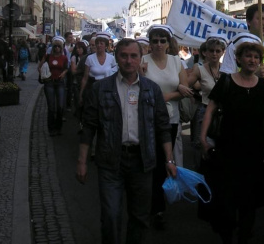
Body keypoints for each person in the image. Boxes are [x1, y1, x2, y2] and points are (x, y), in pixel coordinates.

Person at [76, 38, 177, 244]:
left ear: (140, 58)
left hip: (142, 161)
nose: (129, 61)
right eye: (124, 56)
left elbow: (163, 127)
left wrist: (169, 160)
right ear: (117, 57)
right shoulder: (101, 88)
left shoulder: (151, 89)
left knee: (140, 218)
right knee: (111, 216)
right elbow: (89, 127)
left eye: (133, 56)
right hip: (110, 160)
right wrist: (82, 161)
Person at [200, 34, 264, 244]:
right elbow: (211, 109)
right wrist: (202, 137)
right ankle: (227, 235)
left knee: (249, 202)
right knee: (226, 201)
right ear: (239, 59)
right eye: (248, 56)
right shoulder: (227, 82)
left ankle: (244, 236)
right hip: (228, 151)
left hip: (255, 152)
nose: (252, 60)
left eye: (256, 57)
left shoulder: (263, 86)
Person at [140, 24, 191, 229]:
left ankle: (158, 207)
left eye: (163, 40)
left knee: (164, 160)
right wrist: (142, 75)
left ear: (169, 43)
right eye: (155, 40)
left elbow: (185, 90)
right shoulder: (143, 61)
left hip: (170, 118)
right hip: (148, 118)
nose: (159, 44)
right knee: (150, 161)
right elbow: (139, 89)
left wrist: (165, 96)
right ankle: (150, 203)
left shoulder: (176, 61)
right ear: (150, 43)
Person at [187, 34, 227, 170]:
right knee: (200, 147)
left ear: (222, 52)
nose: (214, 54)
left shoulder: (227, 70)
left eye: (218, 51)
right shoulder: (200, 69)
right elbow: (185, 84)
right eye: (211, 51)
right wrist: (189, 90)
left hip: (222, 114)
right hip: (204, 111)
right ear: (206, 52)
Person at [39, 36, 69, 136]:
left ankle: (58, 127)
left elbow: (66, 68)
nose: (57, 48)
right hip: (49, 83)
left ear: (61, 48)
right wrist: (44, 74)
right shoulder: (48, 56)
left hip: (59, 82)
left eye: (58, 47)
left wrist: (64, 73)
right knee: (51, 107)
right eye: (55, 46)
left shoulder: (64, 58)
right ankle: (51, 128)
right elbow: (40, 66)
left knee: (60, 106)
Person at [80, 33, 118, 104]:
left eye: (101, 43)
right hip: (92, 87)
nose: (99, 45)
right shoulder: (90, 58)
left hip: (106, 87)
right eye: (97, 43)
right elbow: (85, 78)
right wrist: (81, 93)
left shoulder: (111, 58)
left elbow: (114, 74)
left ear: (106, 46)